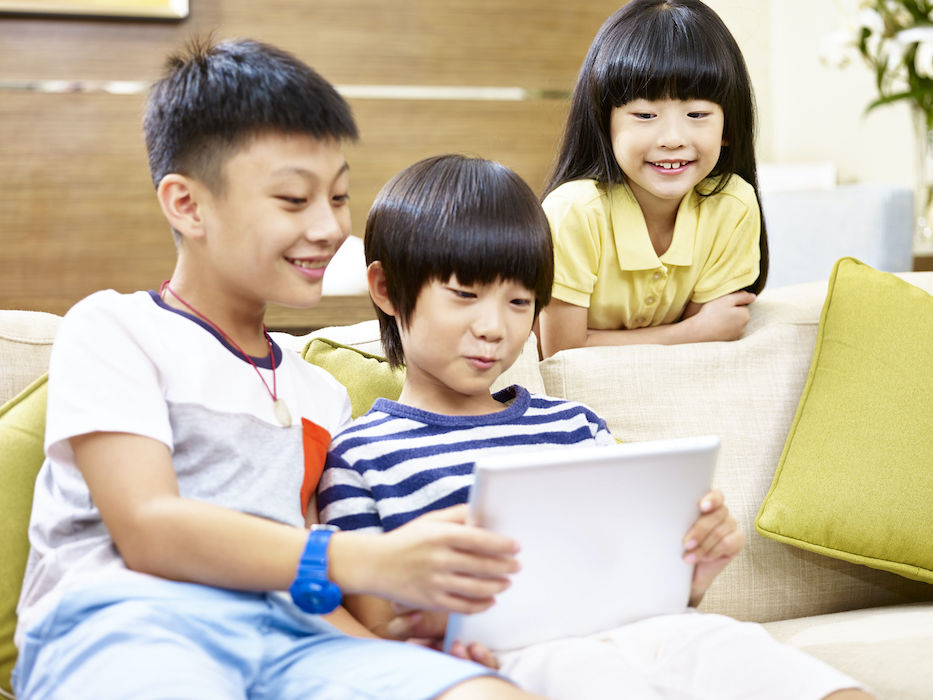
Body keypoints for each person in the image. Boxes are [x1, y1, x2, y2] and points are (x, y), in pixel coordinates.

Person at [12, 38, 546, 700]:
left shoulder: (319, 394)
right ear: (186, 204)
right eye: (294, 200)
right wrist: (366, 559)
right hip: (130, 623)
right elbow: (149, 527)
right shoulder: (117, 329)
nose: (327, 228)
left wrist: (419, 654)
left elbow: (310, 588)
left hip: (294, 641)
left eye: (339, 197)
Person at [318, 154, 872, 699]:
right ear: (388, 289)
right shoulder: (359, 454)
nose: (493, 328)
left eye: (518, 302)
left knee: (753, 656)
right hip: (517, 656)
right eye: (464, 295)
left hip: (653, 633)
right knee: (587, 671)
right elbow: (377, 628)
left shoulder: (576, 428)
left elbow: (641, 589)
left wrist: (692, 574)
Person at [537, 0, 771, 357]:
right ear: (605, 122)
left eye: (697, 113)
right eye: (645, 114)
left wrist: (696, 335)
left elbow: (703, 355)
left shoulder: (732, 205)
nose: (672, 138)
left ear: (728, 126)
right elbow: (560, 353)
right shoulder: (574, 212)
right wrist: (690, 331)